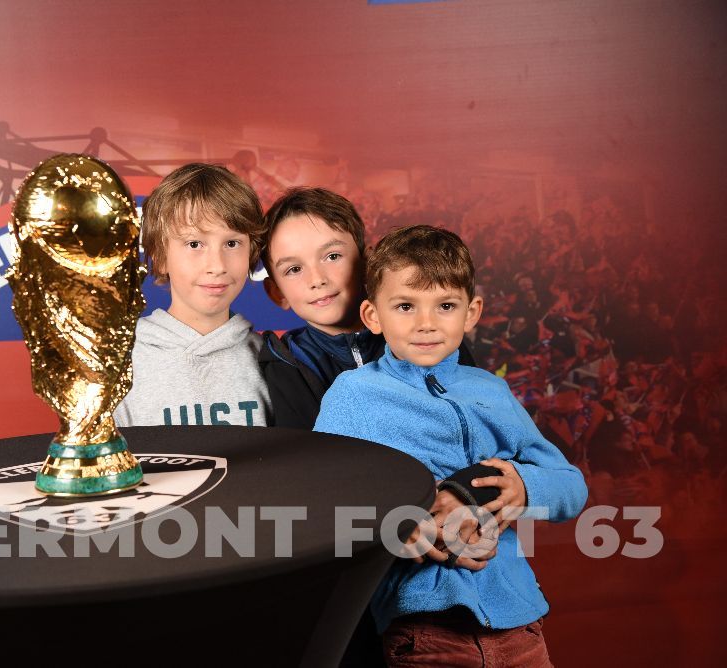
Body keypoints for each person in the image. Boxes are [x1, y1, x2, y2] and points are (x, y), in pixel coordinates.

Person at [314, 225, 588, 667]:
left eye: (445, 306)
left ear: (472, 312)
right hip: (424, 630)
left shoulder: (491, 390)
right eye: (405, 306)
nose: (426, 323)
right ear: (373, 316)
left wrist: (523, 487)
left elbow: (570, 486)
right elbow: (323, 501)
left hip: (519, 622)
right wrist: (392, 528)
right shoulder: (354, 394)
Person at [257, 187, 475, 431]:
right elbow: (305, 461)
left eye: (332, 256)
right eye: (294, 269)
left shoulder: (429, 335)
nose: (317, 279)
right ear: (276, 293)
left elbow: (482, 425)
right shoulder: (286, 365)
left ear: (367, 262)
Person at [114, 163, 271, 427]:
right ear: (161, 257)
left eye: (232, 244)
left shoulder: (269, 359)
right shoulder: (122, 362)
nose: (217, 265)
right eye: (194, 244)